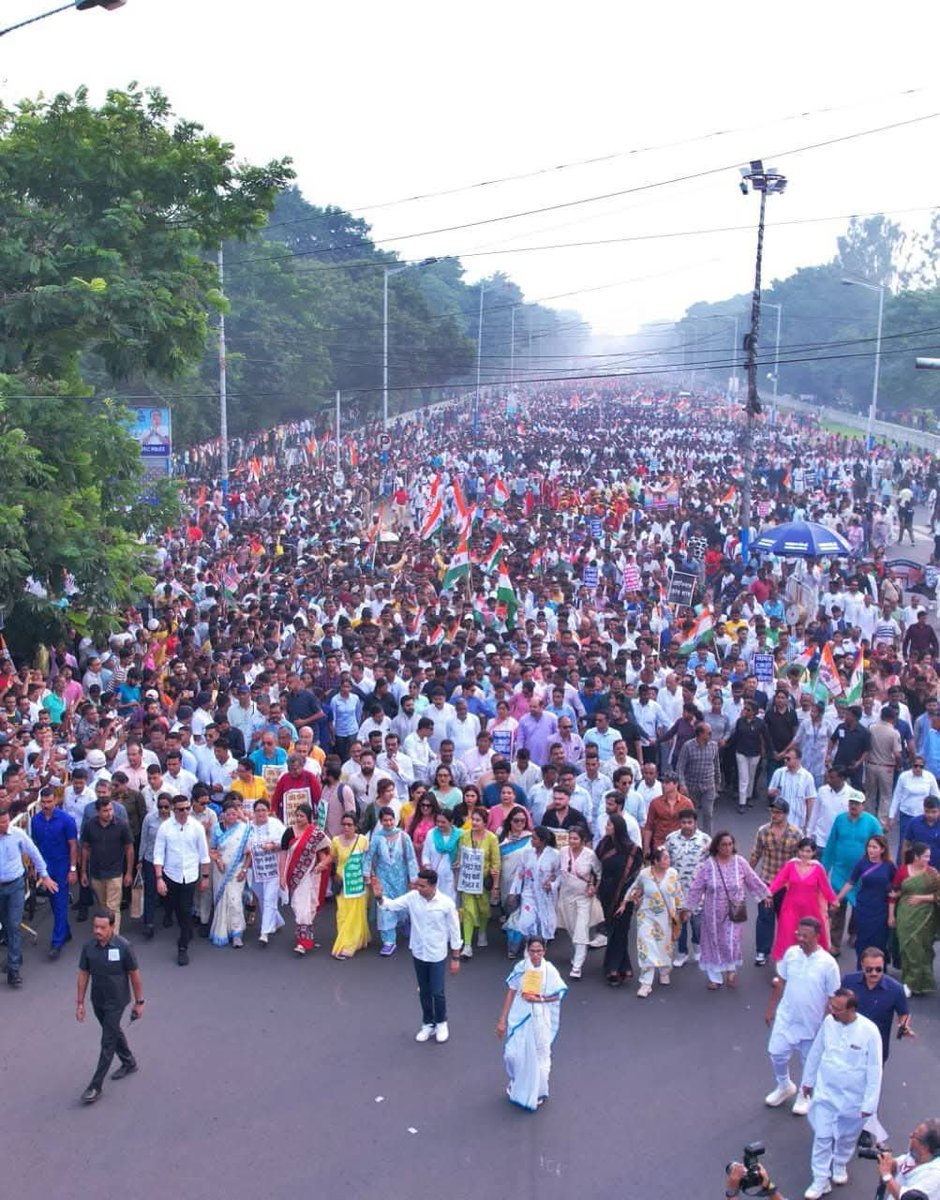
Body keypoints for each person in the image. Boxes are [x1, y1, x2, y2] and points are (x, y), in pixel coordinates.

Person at [801, 988, 883, 1198]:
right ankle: (820, 1179)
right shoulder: (829, 1023)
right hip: (826, 1094)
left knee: (847, 1137)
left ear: (851, 1009)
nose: (832, 1011)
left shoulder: (869, 1031)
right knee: (822, 1136)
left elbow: (875, 1070)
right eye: (832, 1006)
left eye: (837, 1009)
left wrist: (869, 1105)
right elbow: (817, 1051)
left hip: (853, 1100)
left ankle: (839, 1164)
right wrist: (807, 1081)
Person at [372, 866, 461, 1043]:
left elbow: (455, 931)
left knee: (437, 991)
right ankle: (428, 1023)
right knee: (424, 991)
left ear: (434, 886)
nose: (418, 889)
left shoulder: (446, 903)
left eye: (422, 886)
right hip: (419, 952)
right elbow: (391, 905)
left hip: (437, 953)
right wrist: (379, 897)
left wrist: (456, 957)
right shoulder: (413, 898)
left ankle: (441, 1022)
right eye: (417, 885)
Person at [764, 916, 840, 1116]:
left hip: (812, 1022)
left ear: (817, 936)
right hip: (786, 1016)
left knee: (809, 1062)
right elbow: (780, 981)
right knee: (776, 1053)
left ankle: (805, 1095)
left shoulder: (828, 964)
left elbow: (834, 997)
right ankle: (784, 1086)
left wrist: (829, 1024)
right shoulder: (791, 954)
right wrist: (771, 1009)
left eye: (806, 936)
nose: (801, 939)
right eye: (799, 934)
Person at [843, 945, 912, 1151]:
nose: (874, 973)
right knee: (846, 1083)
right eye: (869, 969)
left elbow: (904, 1013)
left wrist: (904, 1026)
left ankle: (864, 1129)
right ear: (861, 967)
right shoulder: (848, 982)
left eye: (878, 969)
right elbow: (836, 1005)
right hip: (847, 1045)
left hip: (876, 1050)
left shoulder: (895, 989)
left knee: (869, 1090)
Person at [75, 907, 145, 1105]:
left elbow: (134, 975)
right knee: (113, 1032)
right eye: (95, 927)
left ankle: (95, 1086)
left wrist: (139, 1003)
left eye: (102, 927)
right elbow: (83, 974)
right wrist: (80, 1003)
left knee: (107, 1042)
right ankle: (129, 1062)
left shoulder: (124, 947)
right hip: (98, 1000)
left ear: (112, 927)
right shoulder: (88, 947)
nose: (97, 931)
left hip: (117, 1001)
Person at [683, 831, 770, 989]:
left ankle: (731, 969)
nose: (728, 848)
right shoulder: (708, 865)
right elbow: (696, 888)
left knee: (731, 941)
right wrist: (688, 908)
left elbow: (752, 880)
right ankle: (715, 977)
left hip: (734, 912)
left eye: (730, 844)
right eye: (724, 844)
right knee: (713, 942)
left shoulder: (740, 863)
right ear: (717, 846)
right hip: (712, 912)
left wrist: (765, 895)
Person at [495, 935, 567, 1111]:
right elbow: (511, 992)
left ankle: (539, 1091)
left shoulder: (549, 970)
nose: (536, 955)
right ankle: (516, 1082)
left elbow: (559, 994)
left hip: (540, 1019)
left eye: (539, 951)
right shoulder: (520, 968)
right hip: (519, 1017)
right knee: (512, 1055)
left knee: (541, 1056)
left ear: (544, 951)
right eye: (532, 951)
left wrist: (538, 999)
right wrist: (502, 1019)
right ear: (527, 951)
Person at [0, 807, 58, 987]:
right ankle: (14, 954)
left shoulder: (17, 834)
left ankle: (14, 969)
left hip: (16, 885)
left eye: (6, 821)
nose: (5, 825)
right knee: (6, 925)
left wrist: (45, 875)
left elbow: (34, 853)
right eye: (1, 822)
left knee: (14, 924)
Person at [153, 793, 211, 965]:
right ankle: (185, 929)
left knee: (185, 909)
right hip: (171, 875)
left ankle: (183, 946)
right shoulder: (165, 828)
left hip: (191, 875)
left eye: (187, 808)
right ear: (173, 809)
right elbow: (158, 854)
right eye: (181, 809)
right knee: (175, 907)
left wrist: (205, 877)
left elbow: (204, 855)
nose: (185, 812)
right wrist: (159, 878)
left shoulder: (197, 827)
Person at [822, 793, 882, 956]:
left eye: (857, 804)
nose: (853, 807)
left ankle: (854, 933)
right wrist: (824, 868)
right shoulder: (840, 820)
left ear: (863, 805)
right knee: (836, 906)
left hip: (863, 873)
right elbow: (831, 844)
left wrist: (878, 869)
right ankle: (834, 943)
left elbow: (881, 845)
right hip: (840, 872)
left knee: (858, 907)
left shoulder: (872, 822)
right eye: (851, 803)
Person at [767, 837, 838, 961]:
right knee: (787, 936)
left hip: (810, 910)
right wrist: (768, 893)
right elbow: (778, 881)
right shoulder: (790, 865)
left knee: (809, 937)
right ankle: (784, 967)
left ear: (813, 853)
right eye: (803, 851)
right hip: (790, 908)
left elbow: (826, 887)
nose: (805, 854)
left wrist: (834, 900)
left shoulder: (818, 869)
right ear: (798, 851)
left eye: (808, 851)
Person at [750, 799, 803, 966]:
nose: (775, 815)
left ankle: (787, 950)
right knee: (765, 917)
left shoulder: (796, 833)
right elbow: (755, 854)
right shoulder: (763, 831)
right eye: (773, 812)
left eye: (778, 812)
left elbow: (801, 859)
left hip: (788, 885)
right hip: (767, 881)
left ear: (786, 814)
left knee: (787, 919)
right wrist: (747, 875)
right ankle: (762, 951)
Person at [833, 834, 895, 968]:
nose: (871, 850)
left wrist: (892, 909)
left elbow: (896, 888)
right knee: (862, 941)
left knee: (879, 941)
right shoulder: (862, 863)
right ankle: (861, 970)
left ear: (882, 849)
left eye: (874, 847)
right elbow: (851, 882)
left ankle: (879, 970)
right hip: (863, 907)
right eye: (869, 847)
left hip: (881, 909)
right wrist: (837, 899)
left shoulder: (889, 866)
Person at [30, 785, 78, 959]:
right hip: (45, 867)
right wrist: (35, 869)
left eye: (49, 801)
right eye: (43, 802)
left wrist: (73, 869)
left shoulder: (66, 820)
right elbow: (34, 846)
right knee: (53, 901)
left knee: (59, 902)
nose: (46, 805)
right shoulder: (35, 820)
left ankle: (56, 943)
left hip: (62, 866)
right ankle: (65, 931)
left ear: (56, 801)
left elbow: (73, 845)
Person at [630, 844, 683, 998]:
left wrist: (681, 911)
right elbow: (634, 889)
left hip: (666, 916)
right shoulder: (644, 874)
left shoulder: (673, 874)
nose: (668, 860)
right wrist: (633, 899)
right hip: (646, 915)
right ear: (656, 861)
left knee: (664, 946)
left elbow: (678, 893)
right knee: (646, 946)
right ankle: (646, 983)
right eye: (665, 858)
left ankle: (665, 970)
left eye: (668, 857)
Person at [366, 806, 419, 956]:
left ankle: (403, 923)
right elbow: (369, 857)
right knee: (384, 907)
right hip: (383, 878)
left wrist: (414, 878)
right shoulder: (377, 838)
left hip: (401, 878)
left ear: (395, 820)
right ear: (381, 821)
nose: (388, 823)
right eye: (385, 820)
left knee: (402, 905)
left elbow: (410, 858)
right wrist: (367, 875)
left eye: (391, 820)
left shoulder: (403, 836)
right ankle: (389, 941)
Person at [596, 813, 642, 985]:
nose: (606, 827)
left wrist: (627, 898)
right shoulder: (603, 845)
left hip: (625, 895)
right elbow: (597, 865)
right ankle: (624, 966)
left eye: (609, 824)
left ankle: (612, 968)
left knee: (621, 930)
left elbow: (635, 876)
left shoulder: (633, 850)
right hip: (606, 893)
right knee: (611, 928)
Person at [889, 843, 940, 995]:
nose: (928, 859)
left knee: (922, 949)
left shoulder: (932, 873)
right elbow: (894, 893)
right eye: (925, 856)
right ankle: (909, 981)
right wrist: (891, 915)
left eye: (929, 856)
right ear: (916, 857)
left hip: (925, 917)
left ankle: (916, 983)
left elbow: (938, 895)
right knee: (907, 948)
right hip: (905, 915)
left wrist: (921, 898)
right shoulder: (903, 871)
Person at [281, 801, 331, 955]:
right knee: (297, 907)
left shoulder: (316, 834)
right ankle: (302, 936)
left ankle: (304, 942)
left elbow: (327, 855)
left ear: (308, 817)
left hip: (310, 877)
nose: (298, 819)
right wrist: (282, 876)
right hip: (293, 876)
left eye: (302, 816)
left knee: (305, 909)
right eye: (297, 815)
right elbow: (283, 855)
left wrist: (321, 866)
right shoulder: (289, 832)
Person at [504, 826, 561, 958]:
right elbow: (520, 873)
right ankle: (529, 948)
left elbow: (559, 875)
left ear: (542, 841)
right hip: (529, 893)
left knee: (544, 922)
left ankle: (541, 949)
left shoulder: (554, 855)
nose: (531, 840)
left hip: (546, 896)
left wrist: (552, 885)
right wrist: (514, 892)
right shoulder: (527, 854)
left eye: (534, 838)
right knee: (527, 921)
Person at [80, 797, 133, 936]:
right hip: (96, 873)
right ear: (98, 812)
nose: (109, 813)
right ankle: (104, 933)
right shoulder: (90, 825)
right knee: (103, 907)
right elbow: (85, 848)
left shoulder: (122, 825)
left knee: (113, 907)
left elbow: (129, 848)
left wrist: (128, 872)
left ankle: (113, 938)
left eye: (110, 809)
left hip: (115, 873)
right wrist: (84, 872)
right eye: (105, 811)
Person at [665, 808, 710, 967]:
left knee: (697, 923)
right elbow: (665, 861)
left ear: (695, 823)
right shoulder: (671, 839)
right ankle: (681, 953)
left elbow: (711, 864)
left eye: (690, 822)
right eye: (683, 822)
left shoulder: (705, 840)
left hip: (698, 892)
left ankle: (698, 947)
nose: (686, 825)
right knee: (679, 923)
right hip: (677, 891)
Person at [556, 823, 600, 979]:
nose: (572, 841)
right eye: (570, 838)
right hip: (566, 896)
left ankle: (577, 966)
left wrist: (594, 887)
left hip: (584, 897)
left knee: (581, 929)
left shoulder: (590, 855)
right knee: (572, 928)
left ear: (583, 840)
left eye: (575, 838)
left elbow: (598, 873)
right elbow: (558, 873)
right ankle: (577, 954)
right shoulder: (562, 852)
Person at [456, 807, 499, 957]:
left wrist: (495, 884)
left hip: (483, 882)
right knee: (467, 911)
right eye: (472, 819)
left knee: (483, 910)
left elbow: (496, 863)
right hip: (468, 881)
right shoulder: (464, 836)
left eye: (478, 820)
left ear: (485, 823)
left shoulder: (492, 838)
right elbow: (460, 856)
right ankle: (467, 945)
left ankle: (481, 931)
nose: (474, 822)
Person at [208, 797, 250, 948]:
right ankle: (222, 931)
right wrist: (218, 861)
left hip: (237, 869)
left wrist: (245, 869)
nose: (232, 817)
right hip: (220, 870)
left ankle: (237, 933)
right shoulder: (216, 829)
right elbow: (212, 849)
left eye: (234, 814)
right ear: (223, 814)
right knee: (221, 901)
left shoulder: (244, 829)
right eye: (229, 814)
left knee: (235, 900)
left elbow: (249, 853)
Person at [244, 797, 286, 946]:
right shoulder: (248, 827)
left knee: (269, 899)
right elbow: (244, 845)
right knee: (262, 898)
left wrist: (273, 845)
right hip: (255, 870)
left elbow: (286, 843)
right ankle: (277, 921)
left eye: (263, 810)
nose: (261, 813)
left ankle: (264, 933)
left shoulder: (276, 825)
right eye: (258, 810)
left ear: (268, 811)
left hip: (273, 869)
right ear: (253, 812)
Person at [329, 812, 370, 960]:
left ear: (356, 826)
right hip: (342, 883)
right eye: (344, 824)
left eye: (349, 825)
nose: (346, 827)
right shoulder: (335, 841)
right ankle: (348, 940)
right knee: (342, 915)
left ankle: (349, 945)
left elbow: (368, 861)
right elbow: (333, 859)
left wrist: (370, 877)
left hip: (357, 883)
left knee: (356, 914)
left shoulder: (363, 841)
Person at [875, 1118, 940, 1200]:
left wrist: (887, 1175)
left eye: (914, 1136)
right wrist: (887, 1161)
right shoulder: (916, 1155)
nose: (910, 1135)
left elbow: (908, 1198)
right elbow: (901, 1165)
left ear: (924, 1147)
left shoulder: (934, 1177)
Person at [422, 809, 462, 901]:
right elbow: (425, 854)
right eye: (438, 822)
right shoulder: (431, 834)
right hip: (434, 876)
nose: (439, 824)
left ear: (451, 822)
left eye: (443, 822)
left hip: (452, 876)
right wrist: (427, 867)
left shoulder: (460, 835)